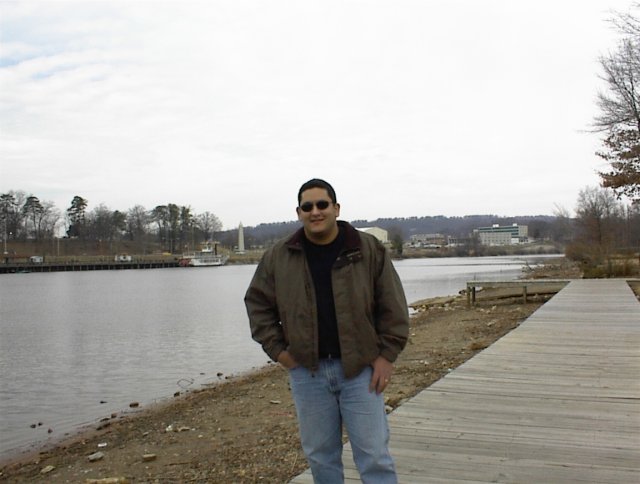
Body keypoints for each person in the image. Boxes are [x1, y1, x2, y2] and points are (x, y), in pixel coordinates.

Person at [244, 178, 409, 483]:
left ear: (336, 208)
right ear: (298, 212)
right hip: (308, 373)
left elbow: (393, 305)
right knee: (321, 457)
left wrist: (387, 355)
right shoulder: (279, 256)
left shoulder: (367, 248)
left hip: (361, 371)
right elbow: (257, 305)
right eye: (308, 206)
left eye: (322, 204)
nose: (315, 211)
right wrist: (280, 352)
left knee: (374, 457)